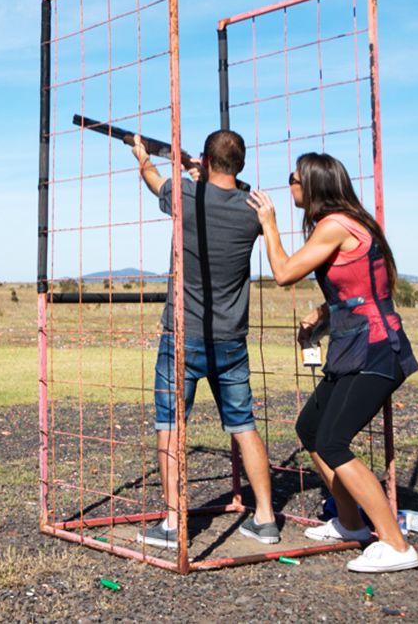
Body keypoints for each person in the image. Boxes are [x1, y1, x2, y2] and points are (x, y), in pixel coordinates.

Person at [246, 152, 418, 573]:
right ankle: (350, 524)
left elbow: (285, 272)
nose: (289, 185)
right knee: (310, 428)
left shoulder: (334, 225)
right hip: (356, 346)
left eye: (293, 178)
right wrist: (323, 317)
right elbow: (359, 288)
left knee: (333, 442)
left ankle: (396, 546)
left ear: (312, 184)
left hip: (378, 350)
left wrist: (268, 224)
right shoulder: (346, 223)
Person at [132, 130, 278, 549]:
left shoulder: (187, 196)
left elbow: (153, 180)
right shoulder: (253, 209)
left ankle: (174, 523)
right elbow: (228, 193)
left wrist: (143, 156)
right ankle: (266, 518)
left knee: (171, 426)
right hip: (232, 339)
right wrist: (201, 175)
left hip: (184, 333)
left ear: (207, 162)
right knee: (244, 426)